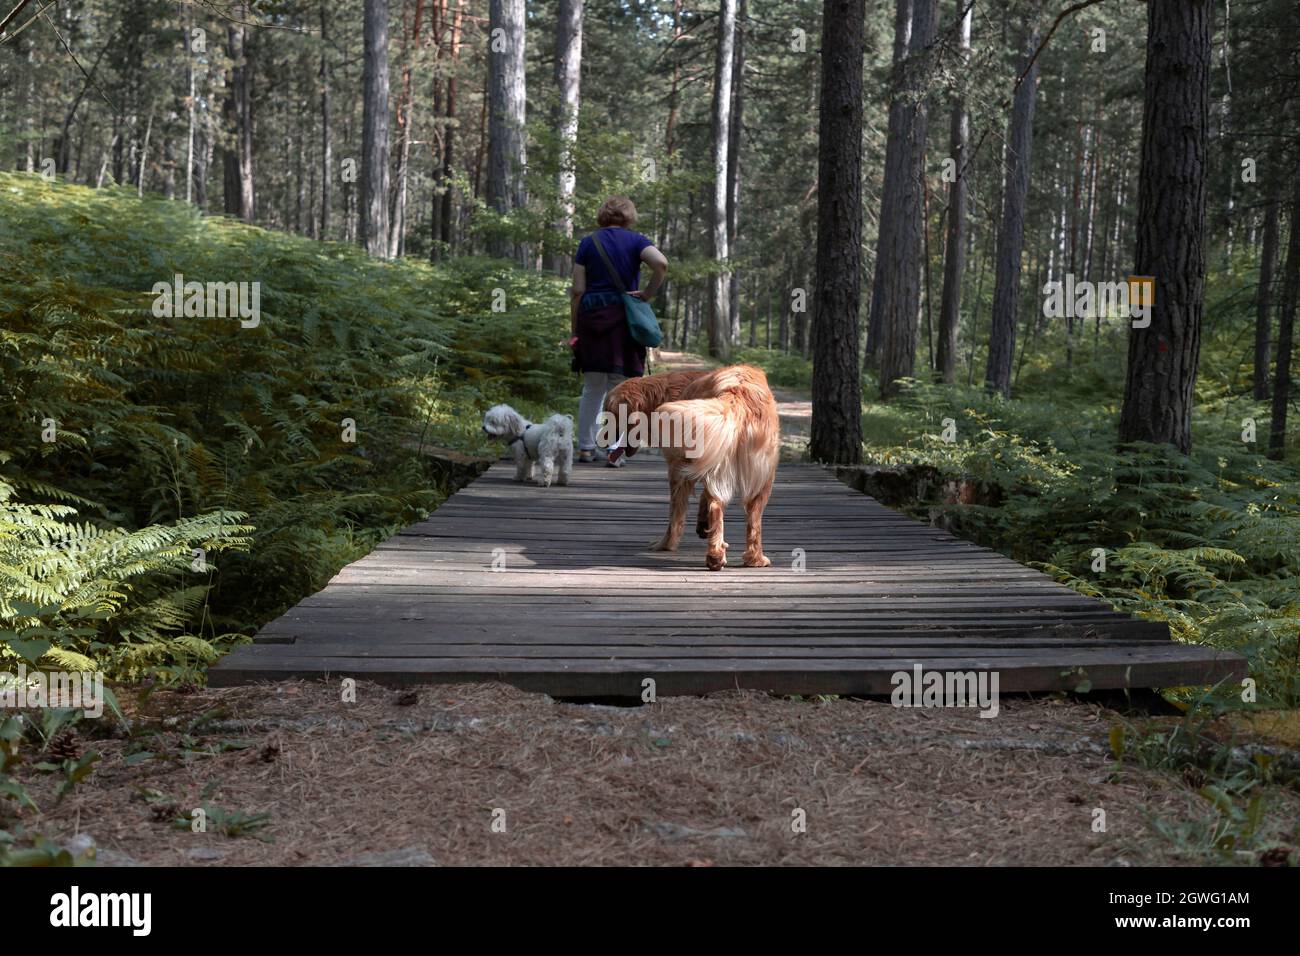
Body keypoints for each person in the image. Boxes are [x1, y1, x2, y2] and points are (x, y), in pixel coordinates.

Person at [569, 196, 668, 463]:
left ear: (603, 216)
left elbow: (578, 290)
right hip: (623, 319)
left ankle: (586, 447)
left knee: (592, 387)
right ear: (628, 216)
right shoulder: (636, 241)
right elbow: (661, 263)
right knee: (620, 388)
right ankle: (614, 449)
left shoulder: (588, 243)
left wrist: (573, 330)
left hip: (591, 318)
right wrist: (647, 294)